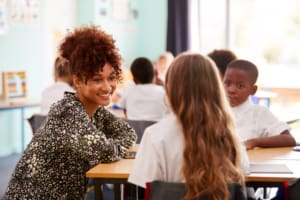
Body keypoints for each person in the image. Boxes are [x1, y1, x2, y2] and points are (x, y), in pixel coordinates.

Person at [3, 25, 137, 199]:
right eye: (97, 79)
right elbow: (104, 151)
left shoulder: (96, 111)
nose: (107, 86)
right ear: (78, 81)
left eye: (111, 78)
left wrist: (109, 145)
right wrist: (112, 146)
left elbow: (128, 133)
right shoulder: (66, 111)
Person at [128, 52, 249, 199]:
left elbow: (145, 189)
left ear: (171, 88)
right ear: (216, 87)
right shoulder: (229, 134)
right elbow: (241, 178)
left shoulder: (154, 135)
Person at [223, 59, 296, 150]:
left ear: (253, 90)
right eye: (227, 83)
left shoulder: (259, 113)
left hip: (250, 162)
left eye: (240, 86)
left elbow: (289, 140)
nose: (231, 90)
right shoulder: (214, 110)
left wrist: (254, 142)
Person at [117, 57, 168, 121]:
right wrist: (164, 86)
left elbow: (123, 108)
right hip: (157, 129)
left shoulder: (129, 91)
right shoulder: (162, 92)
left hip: (134, 129)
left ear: (134, 79)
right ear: (154, 75)